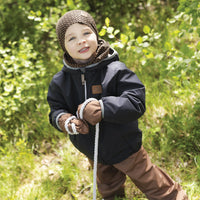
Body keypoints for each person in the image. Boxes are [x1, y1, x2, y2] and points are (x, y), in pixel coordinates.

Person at [47, 9, 188, 200]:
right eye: (71, 38)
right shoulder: (60, 81)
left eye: (86, 33)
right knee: (107, 184)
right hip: (92, 150)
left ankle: (174, 196)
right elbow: (56, 109)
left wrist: (104, 107)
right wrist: (65, 120)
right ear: (63, 47)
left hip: (125, 145)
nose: (81, 40)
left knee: (148, 179)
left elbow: (136, 101)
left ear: (96, 35)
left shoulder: (115, 70)